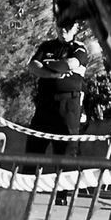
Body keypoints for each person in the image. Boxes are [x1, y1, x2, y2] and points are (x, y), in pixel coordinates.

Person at [26, 23, 88, 157]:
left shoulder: (79, 48)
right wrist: (54, 73)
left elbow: (69, 64)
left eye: (68, 27)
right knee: (32, 152)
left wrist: (46, 63)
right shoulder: (47, 46)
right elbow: (33, 66)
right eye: (61, 26)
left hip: (68, 107)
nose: (64, 30)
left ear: (76, 28)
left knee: (65, 155)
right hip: (45, 105)